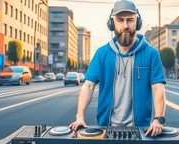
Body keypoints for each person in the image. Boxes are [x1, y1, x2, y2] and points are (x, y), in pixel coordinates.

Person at [69, 0, 167, 137]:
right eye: (120, 20)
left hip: (141, 130)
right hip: (105, 128)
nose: (125, 25)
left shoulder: (151, 54)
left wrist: (158, 119)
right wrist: (79, 117)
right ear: (112, 23)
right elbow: (88, 86)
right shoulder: (101, 54)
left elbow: (158, 88)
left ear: (138, 23)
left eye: (130, 20)